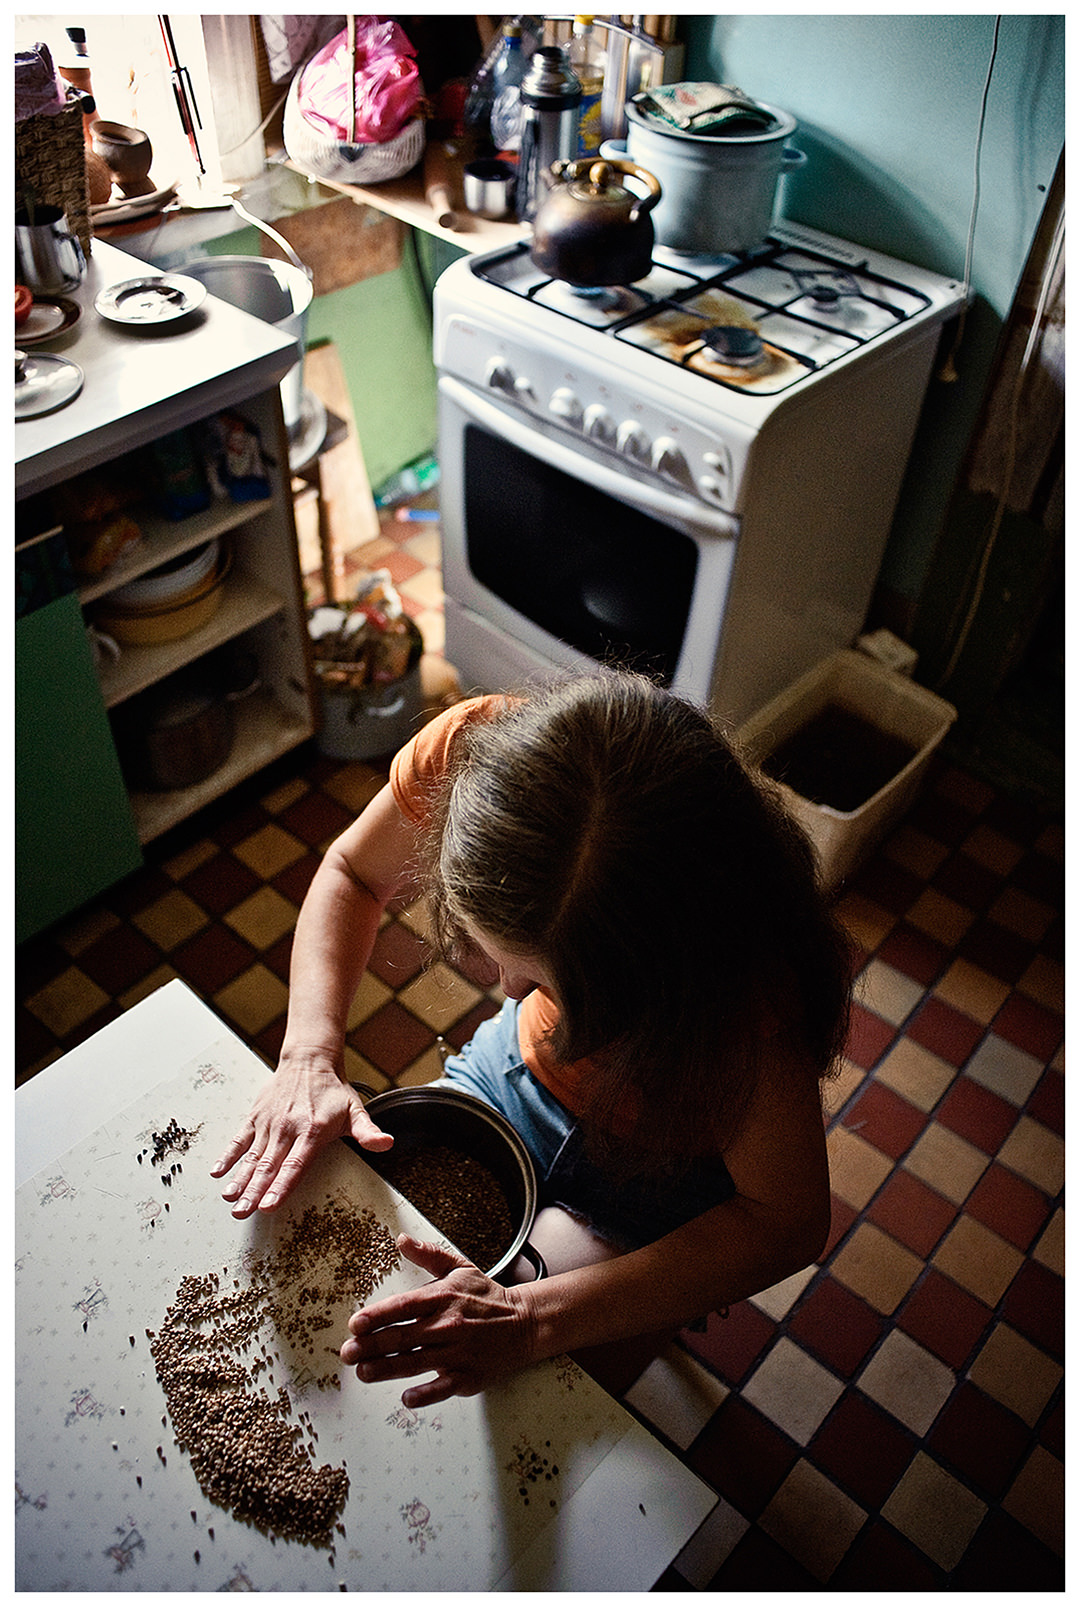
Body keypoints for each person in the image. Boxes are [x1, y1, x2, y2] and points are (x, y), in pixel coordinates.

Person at [212, 669, 852, 1404]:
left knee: (527, 1396)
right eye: (505, 959)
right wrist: (308, 1054)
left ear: (670, 976)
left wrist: (528, 1319)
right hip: (512, 1074)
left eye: (546, 984)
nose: (508, 992)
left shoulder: (745, 996)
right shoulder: (479, 765)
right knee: (365, 1251)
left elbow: (787, 1224)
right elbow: (354, 870)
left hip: (660, 1172)